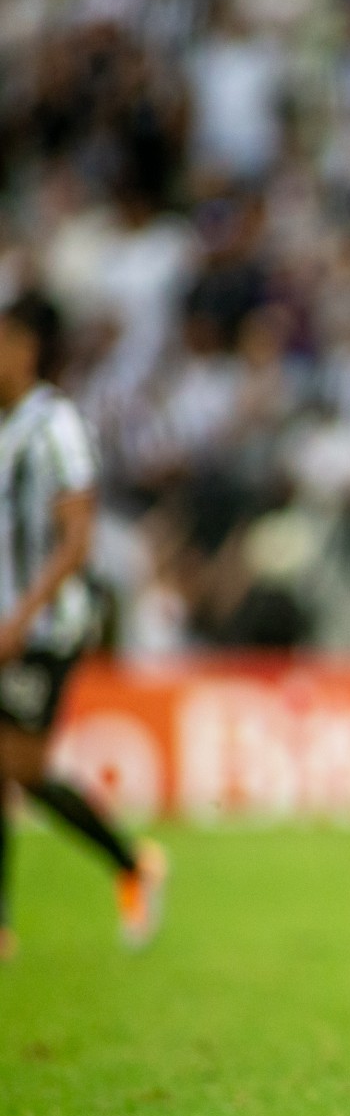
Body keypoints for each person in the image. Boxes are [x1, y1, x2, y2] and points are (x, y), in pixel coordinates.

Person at [0, 293, 167, 961]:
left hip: (47, 629)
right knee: (7, 769)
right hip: (10, 623)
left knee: (22, 766)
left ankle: (132, 862)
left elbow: (77, 540)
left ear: (30, 349)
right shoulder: (6, 426)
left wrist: (23, 617)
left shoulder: (56, 426)